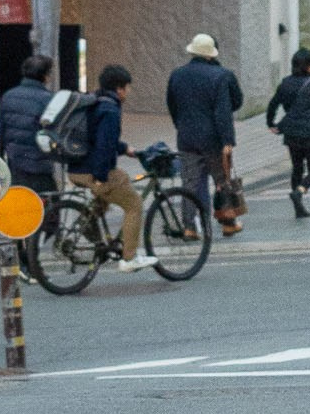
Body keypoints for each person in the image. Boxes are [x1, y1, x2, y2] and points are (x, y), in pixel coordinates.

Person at [72, 64, 151, 273]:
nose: (128, 91)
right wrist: (99, 177)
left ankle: (88, 233)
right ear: (119, 89)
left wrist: (125, 149)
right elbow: (104, 146)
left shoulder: (96, 101)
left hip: (76, 168)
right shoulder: (110, 110)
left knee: (108, 195)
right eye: (127, 87)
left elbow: (100, 138)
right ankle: (129, 258)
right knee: (134, 204)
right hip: (92, 170)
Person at [166, 33, 242, 223]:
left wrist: (181, 126)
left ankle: (190, 226)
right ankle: (228, 222)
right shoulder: (222, 75)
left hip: (186, 139)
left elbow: (172, 105)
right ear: (212, 54)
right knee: (222, 180)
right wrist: (227, 140)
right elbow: (225, 110)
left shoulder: (177, 75)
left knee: (190, 184)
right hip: (213, 140)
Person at [266, 48, 310, 218]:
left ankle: (298, 208)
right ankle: (300, 191)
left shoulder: (285, 83)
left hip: (292, 133)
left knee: (297, 168)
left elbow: (273, 104)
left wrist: (271, 123)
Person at [0, 53, 55, 197]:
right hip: (40, 165)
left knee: (21, 205)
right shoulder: (48, 99)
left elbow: (0, 130)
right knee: (48, 208)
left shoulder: (8, 96)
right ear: (45, 76)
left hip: (15, 163)